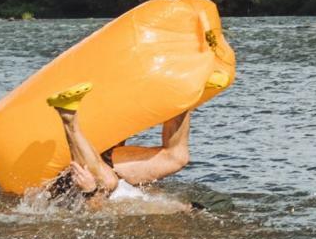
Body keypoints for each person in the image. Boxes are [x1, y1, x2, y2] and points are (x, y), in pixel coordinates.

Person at [45, 71, 229, 201]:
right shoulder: (170, 208)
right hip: (106, 178)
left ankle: (67, 115)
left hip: (82, 184)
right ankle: (185, 97)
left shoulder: (161, 212)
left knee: (108, 182)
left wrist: (89, 192)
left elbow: (97, 213)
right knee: (178, 158)